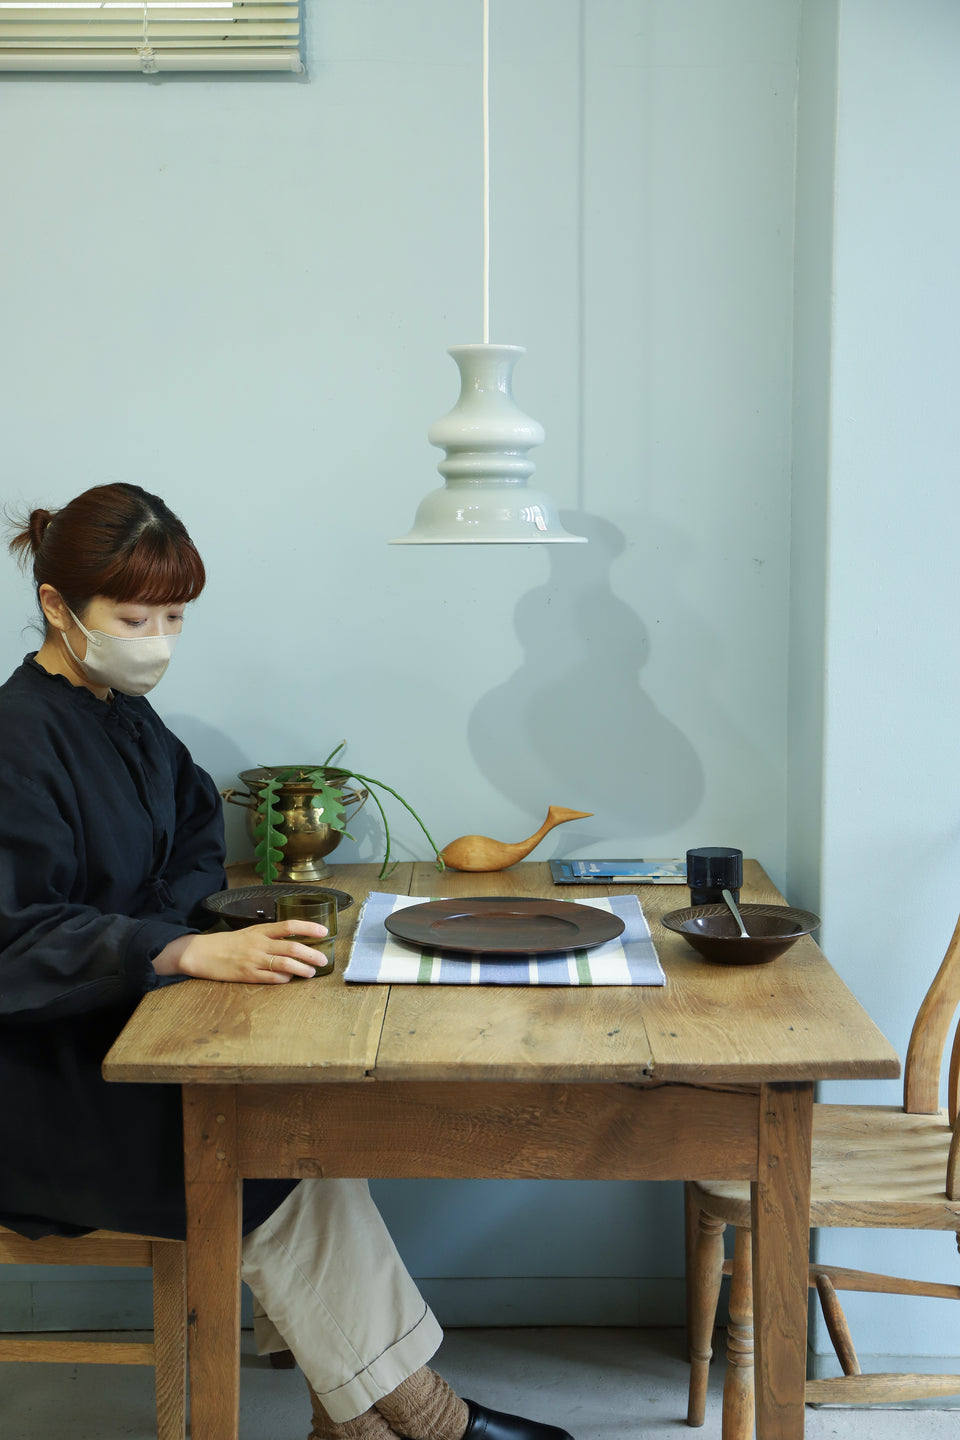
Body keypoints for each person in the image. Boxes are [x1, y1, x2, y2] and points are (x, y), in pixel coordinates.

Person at [0, 483, 574, 1440]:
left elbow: (190, 831)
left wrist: (181, 933)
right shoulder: (17, 737)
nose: (159, 639)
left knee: (298, 1125)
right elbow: (12, 936)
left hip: (131, 1026)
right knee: (272, 1152)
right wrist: (171, 943)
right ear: (59, 607)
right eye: (132, 617)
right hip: (45, 1084)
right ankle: (423, 1420)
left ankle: (353, 1419)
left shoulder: (124, 716)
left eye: (175, 616)